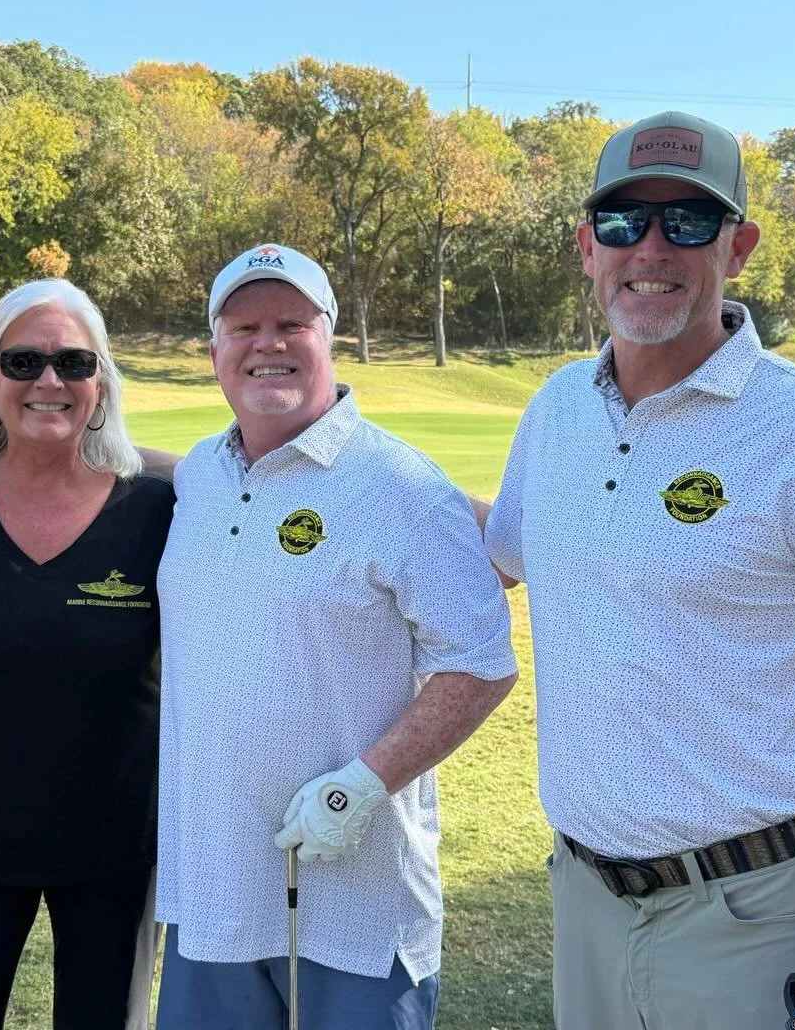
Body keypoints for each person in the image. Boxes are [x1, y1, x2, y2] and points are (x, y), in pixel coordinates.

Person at [484, 111, 795, 1030]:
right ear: (588, 248)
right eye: (626, 223)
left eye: (690, 222)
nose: (654, 248)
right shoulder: (556, 412)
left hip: (763, 917)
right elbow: (506, 548)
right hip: (586, 900)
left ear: (739, 247)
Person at [153, 243, 518, 1030]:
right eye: (244, 325)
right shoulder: (200, 479)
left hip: (357, 907)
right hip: (211, 891)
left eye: (292, 323)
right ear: (215, 348)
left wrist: (362, 784)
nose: (268, 344)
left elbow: (482, 664)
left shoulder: (403, 487)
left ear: (331, 337)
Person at [0, 279, 171, 1029]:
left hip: (116, 852)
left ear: (102, 384)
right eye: (22, 362)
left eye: (74, 363)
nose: (49, 381)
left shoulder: (160, 511)